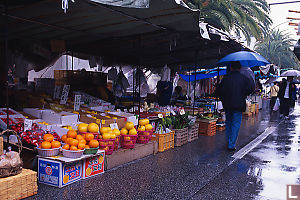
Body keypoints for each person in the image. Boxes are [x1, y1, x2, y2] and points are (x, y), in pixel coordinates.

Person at [216, 61, 254, 151]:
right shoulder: (244, 78)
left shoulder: (226, 78)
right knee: (236, 124)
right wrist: (243, 94)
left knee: (228, 122)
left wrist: (223, 99)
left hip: (227, 104)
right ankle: (231, 144)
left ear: (231, 68)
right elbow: (250, 89)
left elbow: (219, 91)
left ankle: (229, 140)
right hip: (239, 104)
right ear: (240, 68)